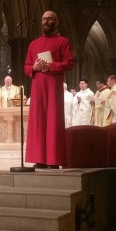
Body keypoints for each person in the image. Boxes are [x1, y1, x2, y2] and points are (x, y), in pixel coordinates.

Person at [24, 10, 74, 169]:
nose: (46, 22)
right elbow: (26, 66)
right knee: (38, 121)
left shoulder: (63, 42)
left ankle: (53, 159)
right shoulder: (33, 44)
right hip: (37, 88)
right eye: (44, 19)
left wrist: (50, 66)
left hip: (53, 87)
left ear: (56, 22)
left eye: (50, 19)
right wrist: (35, 67)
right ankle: (39, 159)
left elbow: (69, 63)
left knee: (53, 121)